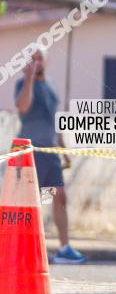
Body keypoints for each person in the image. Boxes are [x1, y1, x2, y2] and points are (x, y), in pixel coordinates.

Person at [14, 49, 87, 264]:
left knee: (61, 196)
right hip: (30, 150)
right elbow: (23, 107)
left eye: (39, 57)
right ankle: (21, 250)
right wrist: (28, 78)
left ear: (46, 59)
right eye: (31, 58)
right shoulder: (23, 84)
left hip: (51, 151)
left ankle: (64, 248)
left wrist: (63, 151)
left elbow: (54, 121)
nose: (36, 61)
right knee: (28, 201)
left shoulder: (52, 85)